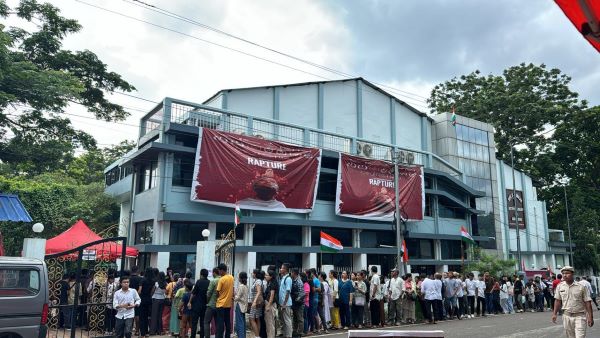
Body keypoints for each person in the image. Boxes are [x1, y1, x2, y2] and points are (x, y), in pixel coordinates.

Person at [552, 266, 594, 338]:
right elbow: (557, 301)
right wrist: (554, 314)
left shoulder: (581, 286)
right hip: (566, 316)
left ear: (572, 274)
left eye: (567, 273)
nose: (565, 275)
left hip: (580, 316)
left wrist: (591, 317)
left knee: (580, 336)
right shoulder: (560, 286)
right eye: (563, 273)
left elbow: (587, 302)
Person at [189, 269, 209, 338]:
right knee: (202, 323)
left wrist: (189, 302)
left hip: (196, 305)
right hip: (205, 306)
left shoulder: (198, 281)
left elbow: (193, 293)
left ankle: (192, 336)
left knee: (194, 323)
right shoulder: (209, 282)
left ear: (201, 274)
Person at [215, 263, 234, 338]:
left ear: (222, 270)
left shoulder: (221, 279)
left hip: (220, 305)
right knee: (227, 322)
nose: (219, 272)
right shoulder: (231, 277)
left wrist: (218, 297)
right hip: (228, 305)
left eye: (219, 271)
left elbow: (217, 292)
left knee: (220, 323)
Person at [138, 267, 155, 337]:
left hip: (142, 300)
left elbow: (139, 291)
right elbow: (152, 291)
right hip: (149, 300)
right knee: (147, 317)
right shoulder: (153, 281)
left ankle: (142, 334)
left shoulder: (143, 280)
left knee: (142, 317)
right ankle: (147, 332)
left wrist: (137, 296)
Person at [204, 267, 221, 338]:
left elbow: (208, 293)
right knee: (218, 323)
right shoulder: (222, 280)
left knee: (206, 322)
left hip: (211, 305)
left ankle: (207, 337)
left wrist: (207, 301)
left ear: (214, 273)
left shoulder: (213, 281)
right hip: (220, 305)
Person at [279, 263, 293, 338]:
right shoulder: (283, 278)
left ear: (285, 269)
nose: (280, 269)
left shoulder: (288, 279)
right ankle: (285, 335)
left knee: (287, 320)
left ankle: (289, 336)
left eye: (282, 268)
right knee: (284, 321)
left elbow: (288, 291)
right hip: (282, 303)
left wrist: (284, 303)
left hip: (286, 304)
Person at [290, 268, 305, 338]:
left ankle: (300, 333)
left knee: (300, 318)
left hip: (299, 303)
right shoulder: (293, 281)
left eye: (292, 272)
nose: (291, 274)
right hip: (294, 303)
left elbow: (302, 293)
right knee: (295, 318)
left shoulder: (299, 282)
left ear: (294, 273)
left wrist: (297, 299)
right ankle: (295, 331)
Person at [129, 266, 143, 335]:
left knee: (129, 314)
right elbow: (140, 290)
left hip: (128, 298)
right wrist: (136, 297)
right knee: (137, 315)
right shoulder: (140, 279)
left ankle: (129, 330)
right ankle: (137, 331)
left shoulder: (128, 278)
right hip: (136, 299)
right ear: (137, 271)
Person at [234, 271, 249, 338]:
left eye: (239, 277)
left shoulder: (241, 286)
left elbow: (237, 297)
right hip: (244, 306)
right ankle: (243, 336)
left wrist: (233, 297)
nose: (238, 278)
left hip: (239, 306)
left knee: (239, 323)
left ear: (240, 278)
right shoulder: (246, 286)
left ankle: (241, 336)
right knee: (242, 322)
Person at [264, 270, 278, 338]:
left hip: (271, 304)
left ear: (271, 276)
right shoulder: (269, 282)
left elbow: (272, 295)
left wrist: (268, 306)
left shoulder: (273, 283)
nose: (265, 276)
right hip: (269, 303)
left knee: (270, 323)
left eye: (267, 275)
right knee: (269, 322)